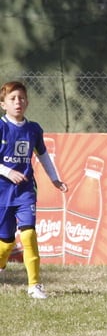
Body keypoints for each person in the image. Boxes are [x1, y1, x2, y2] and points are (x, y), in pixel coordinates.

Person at [0, 81, 67, 299]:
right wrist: (7, 172)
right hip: (2, 193)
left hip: (25, 191)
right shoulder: (1, 127)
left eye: (21, 98)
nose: (17, 102)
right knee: (6, 242)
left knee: (28, 234)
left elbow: (43, 155)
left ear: (27, 102)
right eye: (12, 99)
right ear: (3, 104)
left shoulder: (33, 129)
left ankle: (35, 285)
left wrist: (55, 179)